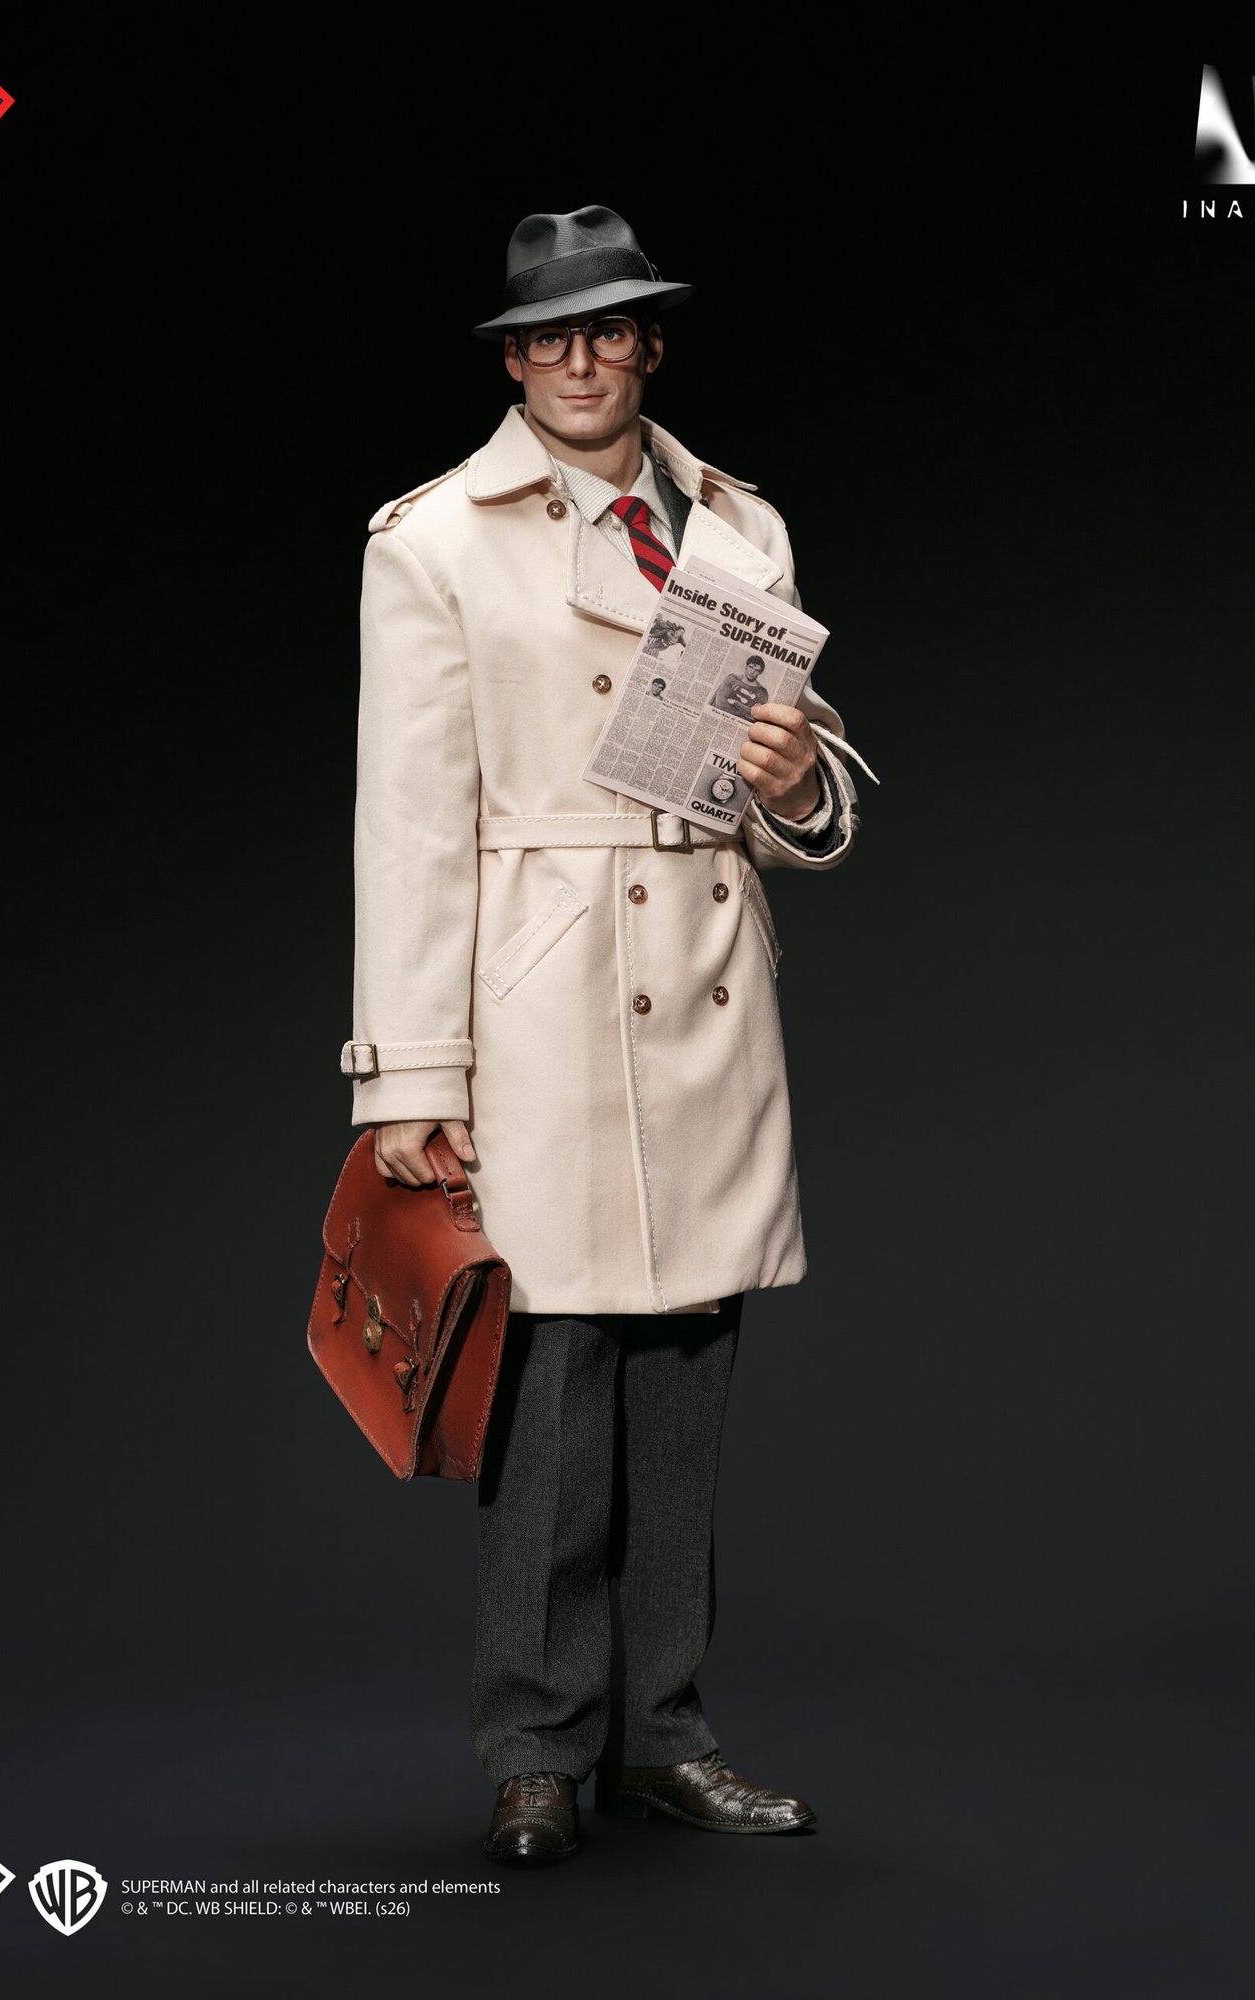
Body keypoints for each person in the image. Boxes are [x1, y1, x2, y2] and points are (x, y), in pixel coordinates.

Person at [342, 206, 876, 1867]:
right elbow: (410, 828)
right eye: (549, 336)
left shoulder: (740, 525)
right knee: (551, 1396)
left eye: (610, 328)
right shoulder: (434, 542)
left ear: (651, 344)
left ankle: (667, 1738)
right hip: (546, 998)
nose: (581, 359)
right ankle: (534, 1750)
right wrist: (410, 1074)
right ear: (514, 362)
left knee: (686, 1398)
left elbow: (797, 778)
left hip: (705, 981)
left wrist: (801, 784)